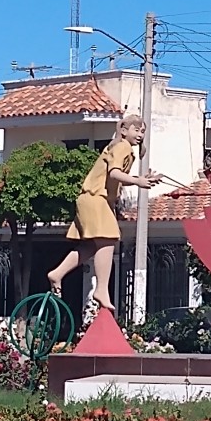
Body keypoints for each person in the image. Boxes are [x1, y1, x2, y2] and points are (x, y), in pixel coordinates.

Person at [47, 114, 161, 311]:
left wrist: (141, 178)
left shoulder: (123, 150)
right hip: (95, 197)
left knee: (92, 246)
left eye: (143, 131)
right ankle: (101, 289)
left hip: (95, 199)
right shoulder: (122, 146)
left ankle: (58, 273)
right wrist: (138, 181)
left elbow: (116, 178)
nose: (140, 134)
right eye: (137, 130)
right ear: (124, 130)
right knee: (109, 238)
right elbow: (114, 173)